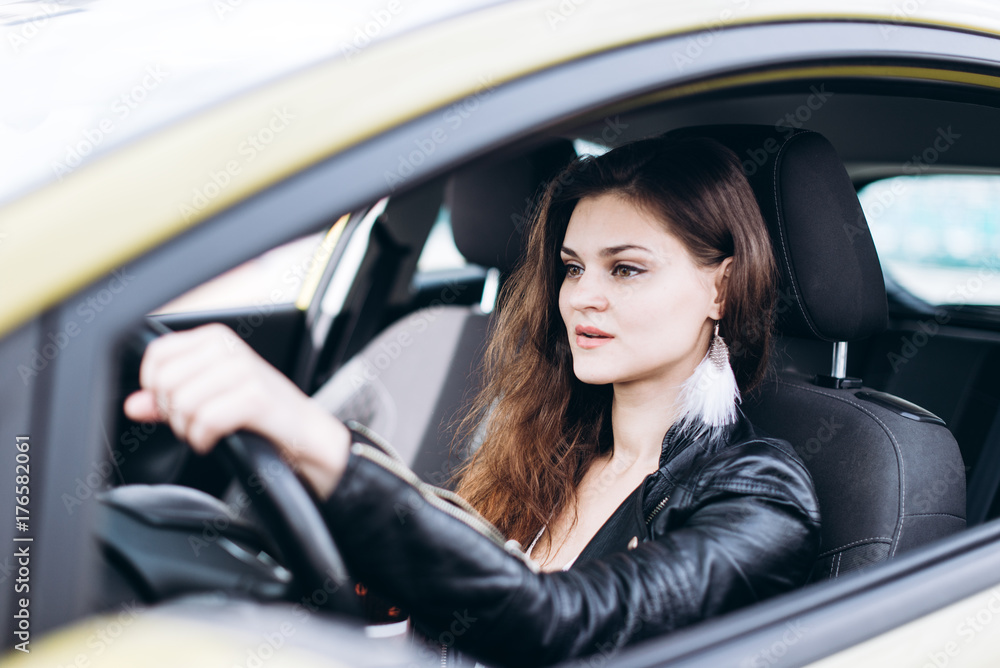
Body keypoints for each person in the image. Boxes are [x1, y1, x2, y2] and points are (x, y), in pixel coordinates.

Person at [124, 136, 821, 667]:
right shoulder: (549, 442)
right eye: (573, 268)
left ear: (722, 289)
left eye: (627, 269)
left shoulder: (760, 493)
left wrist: (310, 435)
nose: (582, 296)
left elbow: (562, 626)